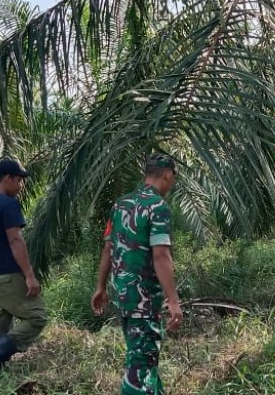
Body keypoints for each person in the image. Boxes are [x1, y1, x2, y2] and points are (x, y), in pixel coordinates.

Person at [92, 153, 184, 395]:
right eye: (174, 176)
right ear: (167, 174)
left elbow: (108, 249)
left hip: (123, 296)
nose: (173, 181)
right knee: (140, 366)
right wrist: (173, 300)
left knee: (143, 357)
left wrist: (100, 287)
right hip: (144, 300)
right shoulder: (158, 207)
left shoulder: (120, 205)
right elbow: (161, 256)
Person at [0, 158, 48, 379]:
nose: (20, 186)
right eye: (19, 180)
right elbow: (15, 240)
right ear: (7, 178)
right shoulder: (8, 205)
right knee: (37, 317)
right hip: (8, 276)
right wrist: (29, 276)